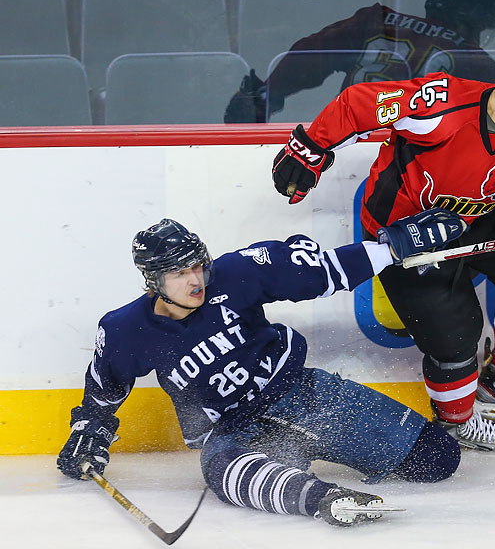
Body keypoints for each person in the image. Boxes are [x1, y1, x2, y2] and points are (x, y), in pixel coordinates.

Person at [57, 212, 466, 527]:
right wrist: (88, 431)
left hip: (304, 397)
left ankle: (318, 449)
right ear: (153, 281)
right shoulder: (126, 330)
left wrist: (391, 249)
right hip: (237, 431)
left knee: (438, 460)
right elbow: (104, 387)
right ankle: (320, 498)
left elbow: (321, 272)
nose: (196, 280)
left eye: (198, 265)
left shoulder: (235, 273)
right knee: (222, 472)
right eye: (181, 273)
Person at [270, 39, 495, 452]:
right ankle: (456, 421)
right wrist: (310, 148)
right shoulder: (443, 104)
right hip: (404, 232)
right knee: (456, 336)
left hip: (475, 220)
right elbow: (360, 103)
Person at [224, 0, 495, 123]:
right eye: (481, 25)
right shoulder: (475, 60)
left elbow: (310, 54)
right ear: (467, 14)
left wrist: (268, 93)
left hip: (346, 135)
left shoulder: (377, 21)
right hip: (416, 154)